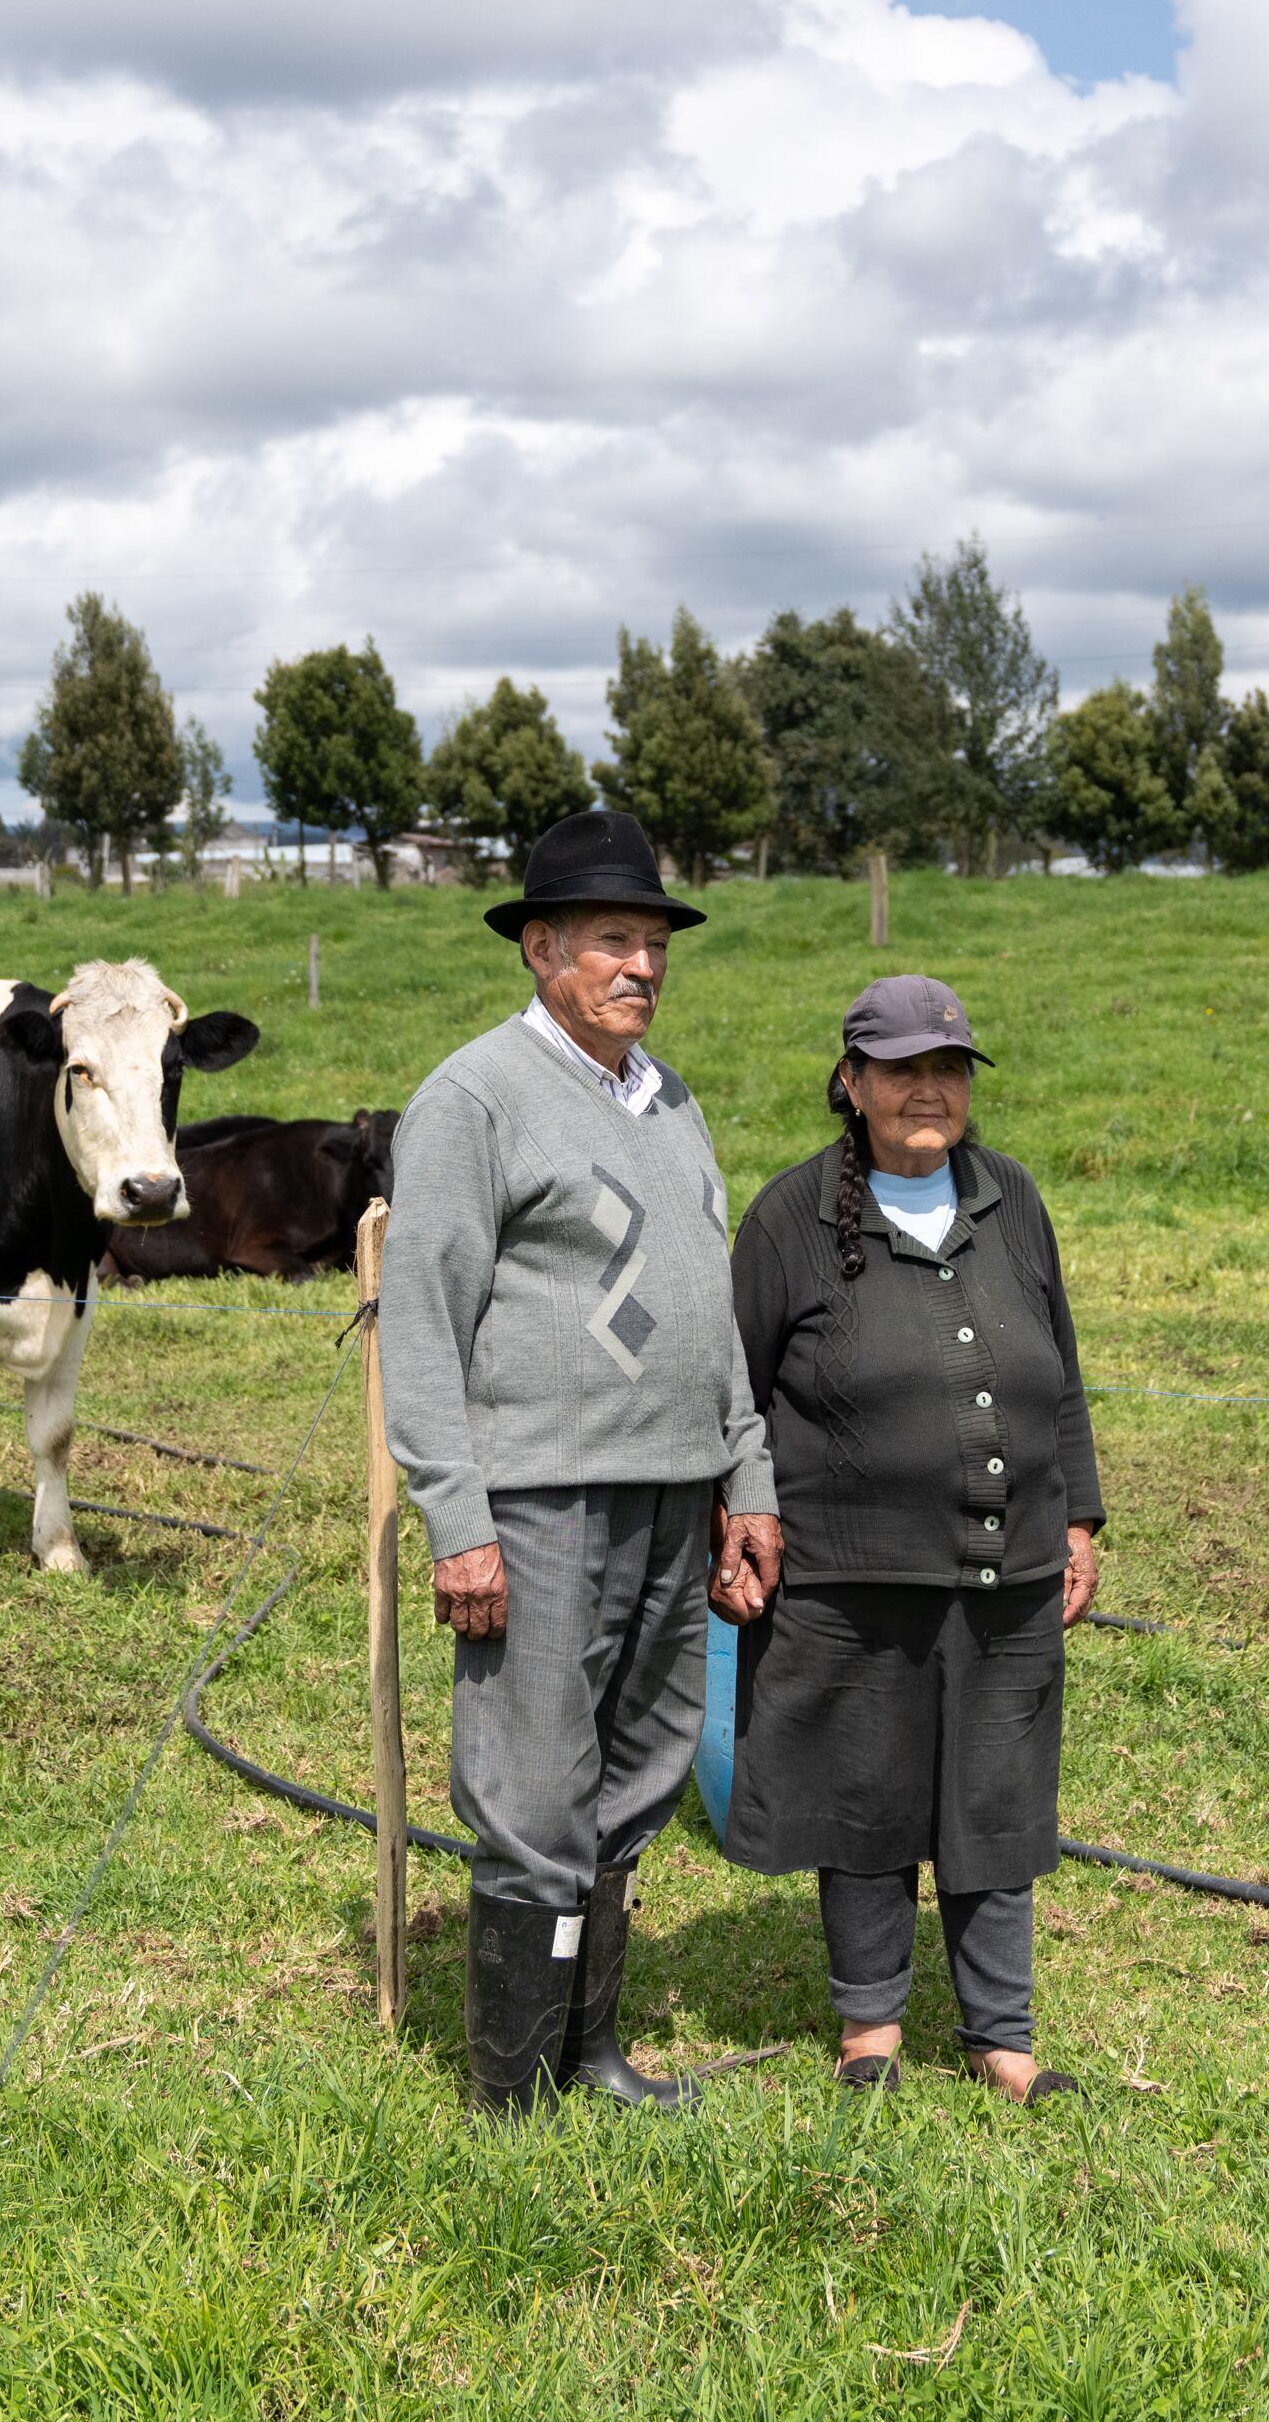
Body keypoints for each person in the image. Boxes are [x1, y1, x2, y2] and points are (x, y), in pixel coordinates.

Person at [379, 806, 783, 2114]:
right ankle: (510, 2095)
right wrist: (458, 1521)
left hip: (674, 1501)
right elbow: (424, 1326)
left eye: (657, 945)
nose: (644, 968)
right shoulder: (475, 1099)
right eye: (614, 941)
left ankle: (591, 2053)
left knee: (638, 1774)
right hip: (539, 1507)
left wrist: (746, 1483)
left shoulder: (674, 1107)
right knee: (536, 1784)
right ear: (539, 948)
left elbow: (711, 1313)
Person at [720, 973, 1102, 2103]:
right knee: (865, 1795)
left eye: (946, 1069)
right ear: (852, 1084)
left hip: (1010, 1564)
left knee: (998, 1794)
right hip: (848, 1574)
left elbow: (1063, 1374)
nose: (925, 1090)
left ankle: (1004, 2041)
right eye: (899, 1071)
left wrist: (1077, 1514)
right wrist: (739, 1514)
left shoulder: (1010, 1197)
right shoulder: (790, 1218)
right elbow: (731, 1392)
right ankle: (870, 2032)